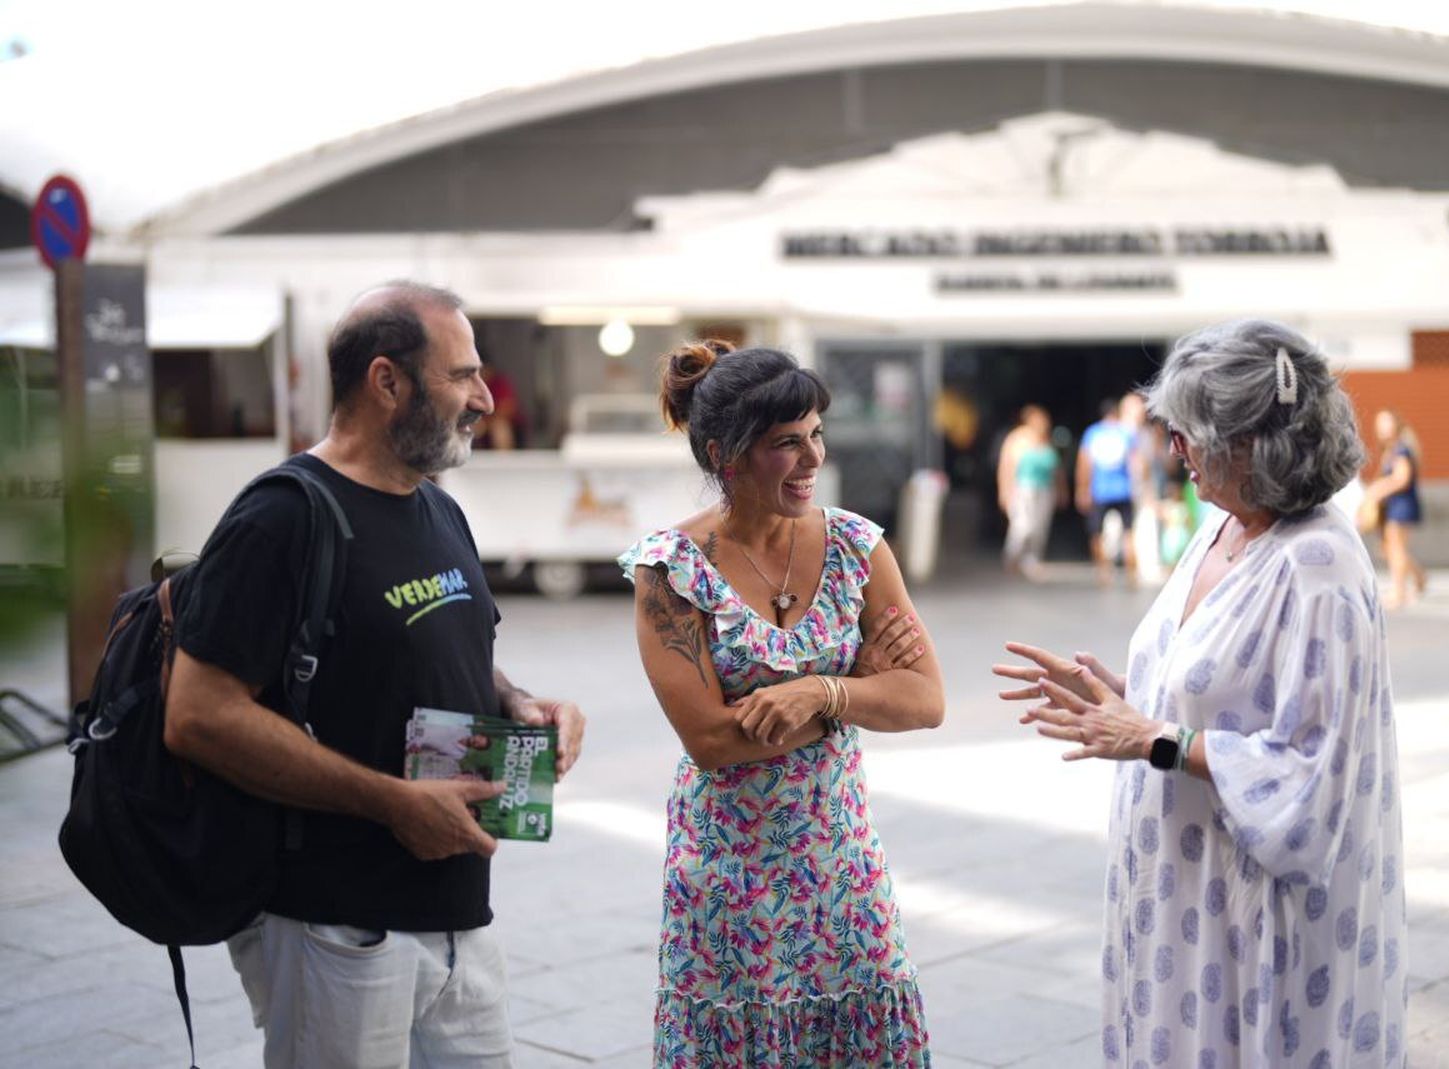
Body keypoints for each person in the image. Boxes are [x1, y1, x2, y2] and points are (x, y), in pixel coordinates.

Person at [163, 281, 587, 1068]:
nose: (485, 400)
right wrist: (392, 802)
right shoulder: (281, 517)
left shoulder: (439, 507)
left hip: (461, 921)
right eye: (462, 376)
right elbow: (199, 714)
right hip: (338, 929)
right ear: (387, 381)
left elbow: (446, 651)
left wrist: (524, 704)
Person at [995, 320, 1406, 1067]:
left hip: (1249, 916)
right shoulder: (1218, 526)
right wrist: (1113, 697)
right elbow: (1210, 688)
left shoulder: (1319, 562)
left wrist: (1156, 739)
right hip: (1177, 896)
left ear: (1251, 442)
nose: (1172, 448)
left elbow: (1315, 769)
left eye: (1188, 433)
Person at [619, 340, 945, 1067]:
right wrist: (856, 693)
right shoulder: (670, 571)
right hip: (728, 875)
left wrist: (819, 689)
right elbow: (710, 739)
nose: (812, 460)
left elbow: (924, 699)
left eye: (815, 436)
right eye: (785, 444)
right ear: (723, 453)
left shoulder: (859, 548)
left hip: (841, 861)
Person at [1364, 409, 1427, 608]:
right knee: (1392, 548)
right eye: (1379, 423)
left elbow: (1402, 479)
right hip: (1393, 505)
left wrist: (1378, 490)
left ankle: (1399, 592)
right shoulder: (1390, 451)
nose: (1381, 427)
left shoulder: (1401, 450)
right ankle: (1419, 578)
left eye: (1386, 422)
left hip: (1402, 504)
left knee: (1395, 548)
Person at [1077, 397, 1143, 588]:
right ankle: (1132, 573)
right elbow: (1136, 463)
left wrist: (1083, 489)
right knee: (1128, 533)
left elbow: (1085, 463)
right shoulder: (1126, 433)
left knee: (1096, 533)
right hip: (1124, 490)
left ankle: (1103, 572)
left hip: (1100, 491)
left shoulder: (1093, 433)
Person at [997, 403, 1064, 577]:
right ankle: (1012, 557)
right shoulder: (1017, 439)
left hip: (1044, 489)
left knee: (1039, 527)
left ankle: (1032, 559)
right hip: (1023, 490)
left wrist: (1062, 490)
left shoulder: (1046, 441)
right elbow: (1006, 466)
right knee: (1022, 525)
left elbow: (1057, 469)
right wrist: (1004, 491)